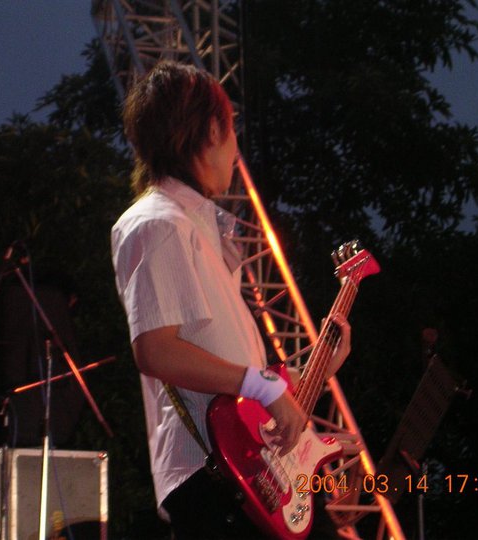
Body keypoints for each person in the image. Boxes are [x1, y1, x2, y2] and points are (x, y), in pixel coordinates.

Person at [111, 60, 351, 539]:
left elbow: (232, 374)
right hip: (214, 477)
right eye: (232, 129)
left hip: (244, 472)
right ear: (212, 130)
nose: (236, 148)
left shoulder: (195, 228)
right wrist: (265, 386)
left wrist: (312, 373)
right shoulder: (157, 223)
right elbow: (155, 350)